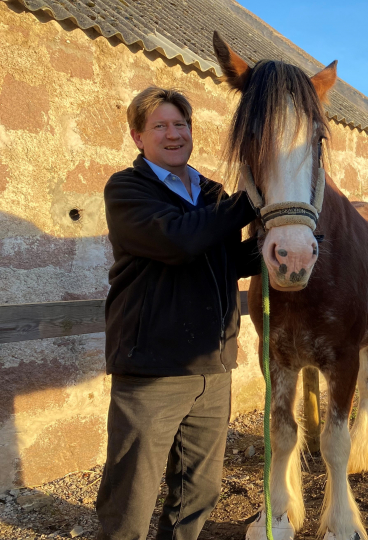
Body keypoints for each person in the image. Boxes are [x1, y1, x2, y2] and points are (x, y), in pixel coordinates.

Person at [96, 87, 260, 540]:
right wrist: (246, 202)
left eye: (181, 124)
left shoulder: (211, 192)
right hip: (153, 369)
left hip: (213, 366)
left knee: (198, 493)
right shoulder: (127, 189)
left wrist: (282, 247)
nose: (173, 134)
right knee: (130, 499)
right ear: (138, 137)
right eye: (160, 126)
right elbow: (178, 241)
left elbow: (228, 259)